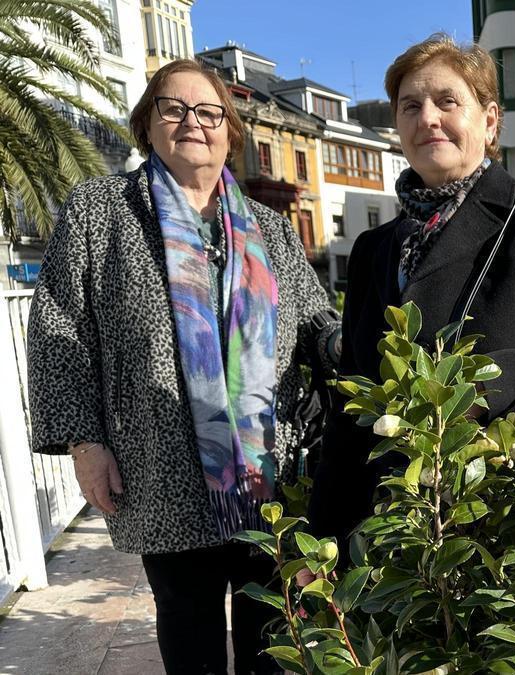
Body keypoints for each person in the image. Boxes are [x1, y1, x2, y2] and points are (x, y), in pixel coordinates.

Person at [26, 59, 340, 675]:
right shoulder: (102, 212)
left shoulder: (272, 231)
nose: (192, 122)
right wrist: (86, 443)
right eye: (173, 108)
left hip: (267, 475)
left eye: (209, 112)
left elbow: (317, 325)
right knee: (184, 617)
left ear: (229, 132)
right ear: (148, 125)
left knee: (272, 629)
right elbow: (59, 327)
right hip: (159, 461)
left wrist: (371, 349)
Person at [307, 34, 515, 543]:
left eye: (447, 101)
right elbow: (352, 408)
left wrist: (485, 385)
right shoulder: (374, 248)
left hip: (509, 524)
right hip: (396, 535)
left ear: (489, 120)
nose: (428, 119)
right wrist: (325, 539)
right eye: (410, 106)